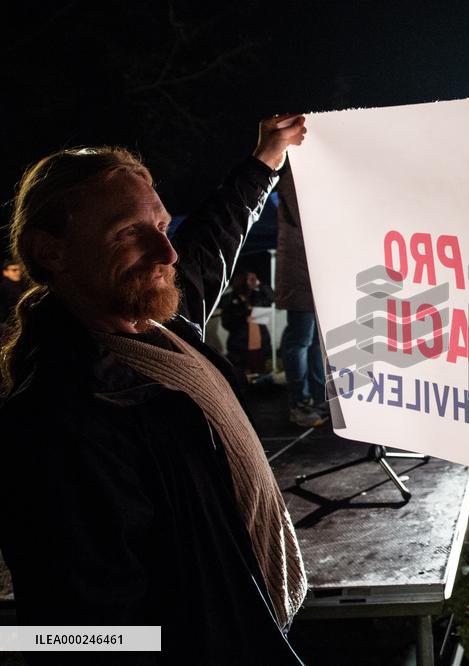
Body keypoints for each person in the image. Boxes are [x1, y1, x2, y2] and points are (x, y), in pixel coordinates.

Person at [0, 115, 309, 665]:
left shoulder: (155, 323)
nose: (166, 254)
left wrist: (266, 159)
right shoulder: (57, 423)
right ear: (50, 250)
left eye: (163, 227)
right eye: (127, 233)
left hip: (250, 630)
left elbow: (214, 236)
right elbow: (69, 636)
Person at [274, 161, 328, 428]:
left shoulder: (306, 181)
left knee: (316, 341)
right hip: (301, 276)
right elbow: (308, 217)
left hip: (314, 276)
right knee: (302, 340)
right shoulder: (294, 180)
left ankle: (318, 398)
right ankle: (301, 403)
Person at [222, 270, 274, 381]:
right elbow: (226, 322)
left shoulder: (256, 295)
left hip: (260, 344)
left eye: (255, 278)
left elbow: (271, 298)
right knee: (242, 379)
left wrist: (260, 284)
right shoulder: (231, 299)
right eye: (251, 279)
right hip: (241, 347)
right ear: (242, 280)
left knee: (260, 377)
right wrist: (244, 318)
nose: (254, 281)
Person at [0, 259, 27, 336]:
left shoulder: (23, 286)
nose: (18, 272)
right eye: (14, 270)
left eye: (19, 270)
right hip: (8, 328)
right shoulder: (3, 288)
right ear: (5, 272)